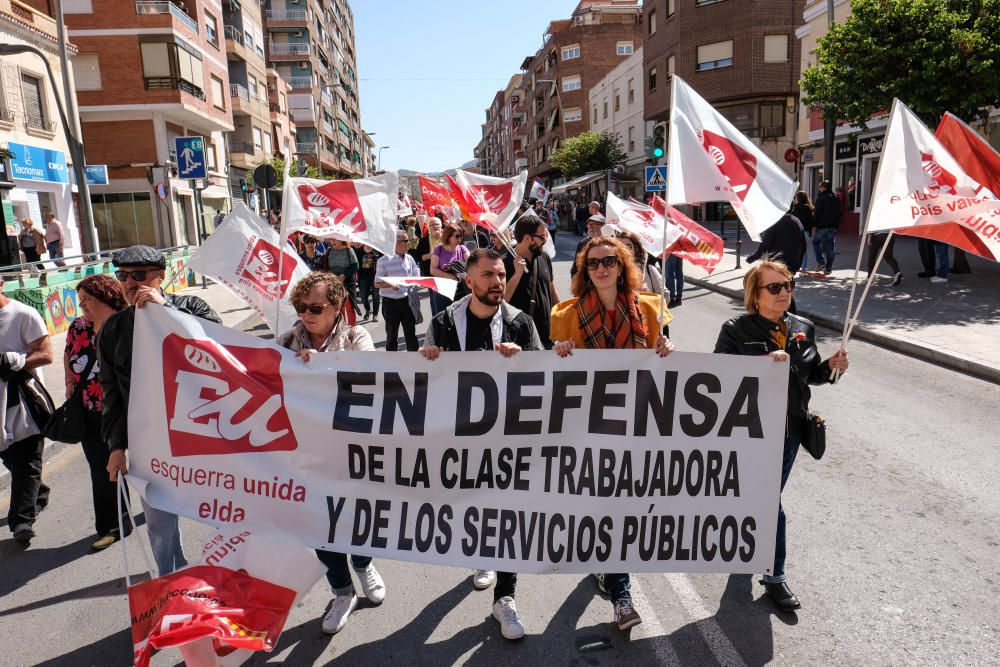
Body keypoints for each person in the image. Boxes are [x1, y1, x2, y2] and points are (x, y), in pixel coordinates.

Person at [549, 236, 675, 631]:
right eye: (593, 263)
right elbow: (553, 371)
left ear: (622, 266)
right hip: (589, 426)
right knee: (607, 506)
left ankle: (611, 578)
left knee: (623, 506)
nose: (601, 268)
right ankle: (619, 593)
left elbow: (665, 361)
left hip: (638, 424)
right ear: (585, 271)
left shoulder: (652, 307)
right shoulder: (564, 314)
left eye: (609, 261)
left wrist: (668, 347)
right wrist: (561, 351)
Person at [714, 256, 849, 611]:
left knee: (763, 498)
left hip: (789, 430)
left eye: (788, 286)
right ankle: (775, 576)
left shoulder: (803, 326)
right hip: (747, 432)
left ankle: (751, 550)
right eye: (774, 287)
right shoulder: (735, 329)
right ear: (754, 295)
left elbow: (812, 376)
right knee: (769, 503)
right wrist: (761, 365)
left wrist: (831, 369)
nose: (783, 293)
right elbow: (716, 377)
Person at [420, 248, 541, 640]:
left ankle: (505, 599)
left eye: (502, 275)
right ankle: (482, 556)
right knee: (475, 508)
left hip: (509, 439)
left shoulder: (520, 323)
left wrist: (523, 359)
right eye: (488, 275)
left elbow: (546, 374)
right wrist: (429, 359)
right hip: (462, 440)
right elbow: (424, 379)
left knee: (507, 514)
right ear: (469, 281)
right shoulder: (443, 322)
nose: (498, 282)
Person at [276, 273, 385, 634]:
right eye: (301, 307)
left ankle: (364, 563)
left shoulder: (356, 337)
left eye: (316, 307)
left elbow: (370, 377)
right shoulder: (286, 342)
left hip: (353, 451)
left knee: (359, 518)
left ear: (337, 307)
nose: (307, 314)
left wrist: (320, 368)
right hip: (307, 456)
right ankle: (341, 591)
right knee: (319, 525)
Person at [102, 245, 222, 575]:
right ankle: (173, 581)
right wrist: (116, 447)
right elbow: (112, 395)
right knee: (159, 525)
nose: (129, 283)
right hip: (150, 445)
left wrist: (168, 312)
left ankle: (228, 580)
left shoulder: (191, 307)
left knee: (222, 514)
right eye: (123, 276)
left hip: (203, 438)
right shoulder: (113, 330)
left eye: (139, 275)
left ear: (160, 276)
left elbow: (222, 351)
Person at [65, 275, 131, 550]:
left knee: (151, 469)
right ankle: (112, 525)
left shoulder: (131, 322)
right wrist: (69, 385)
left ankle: (161, 509)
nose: (83, 308)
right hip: (92, 410)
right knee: (102, 469)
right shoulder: (79, 327)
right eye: (80, 303)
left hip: (132, 408)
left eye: (86, 301)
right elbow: (69, 356)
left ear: (105, 296)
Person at [0, 275, 53, 542]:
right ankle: (39, 492)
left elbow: (46, 354)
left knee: (27, 460)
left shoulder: (23, 314)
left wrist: (14, 361)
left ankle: (21, 521)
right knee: (11, 459)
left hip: (24, 403)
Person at [503, 215, 559, 348]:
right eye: (542, 236)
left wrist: (561, 318)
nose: (545, 240)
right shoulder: (504, 263)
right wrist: (517, 275)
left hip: (547, 337)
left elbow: (551, 290)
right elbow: (501, 301)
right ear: (528, 238)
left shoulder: (544, 257)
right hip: (520, 340)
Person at [375, 231, 421, 351]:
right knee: (392, 335)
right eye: (406, 241)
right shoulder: (383, 261)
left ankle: (415, 361)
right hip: (390, 303)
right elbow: (377, 283)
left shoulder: (410, 258)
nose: (408, 243)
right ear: (396, 243)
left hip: (407, 301)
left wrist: (416, 282)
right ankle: (392, 363)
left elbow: (416, 277)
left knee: (410, 333)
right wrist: (390, 285)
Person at [430, 223, 470, 314]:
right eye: (457, 236)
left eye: (461, 235)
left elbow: (471, 263)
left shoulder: (462, 248)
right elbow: (433, 270)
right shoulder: (438, 250)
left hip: (460, 289)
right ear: (448, 236)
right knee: (443, 316)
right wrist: (450, 276)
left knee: (459, 316)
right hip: (442, 290)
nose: (460, 239)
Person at [616, 230, 663, 296]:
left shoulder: (649, 270)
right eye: (621, 247)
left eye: (628, 246)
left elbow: (664, 295)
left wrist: (647, 299)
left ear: (636, 249)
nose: (624, 250)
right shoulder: (613, 272)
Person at [324, 239, 361, 316]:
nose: (333, 242)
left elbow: (356, 266)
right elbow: (325, 267)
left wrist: (344, 275)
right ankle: (340, 326)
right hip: (333, 283)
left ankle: (352, 327)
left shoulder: (349, 250)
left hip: (348, 283)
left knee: (349, 307)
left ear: (341, 239)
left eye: (335, 240)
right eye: (331, 239)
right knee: (337, 308)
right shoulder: (328, 251)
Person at [812, 181, 841, 273]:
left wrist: (814, 225)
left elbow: (817, 213)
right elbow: (840, 213)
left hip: (822, 226)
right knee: (830, 246)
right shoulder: (836, 198)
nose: (819, 188)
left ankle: (821, 262)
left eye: (820, 186)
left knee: (815, 242)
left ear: (824, 187)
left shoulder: (821, 198)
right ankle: (828, 269)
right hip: (833, 227)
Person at [569, 213, 607, 278]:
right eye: (589, 224)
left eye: (594, 224)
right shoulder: (583, 243)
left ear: (603, 226)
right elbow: (575, 267)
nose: (590, 227)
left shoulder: (609, 244)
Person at [357, 244, 382, 321]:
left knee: (376, 296)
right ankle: (368, 310)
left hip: (375, 277)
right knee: (363, 296)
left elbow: (383, 262)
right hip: (363, 277)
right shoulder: (359, 251)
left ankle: (375, 314)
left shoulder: (377, 250)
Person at [790, 192, 814, 272]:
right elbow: (811, 221)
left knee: (795, 250)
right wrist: (810, 233)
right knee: (804, 251)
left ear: (798, 198)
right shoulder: (809, 208)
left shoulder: (795, 207)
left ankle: (794, 267)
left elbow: (793, 220)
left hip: (796, 231)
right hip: (806, 231)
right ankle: (803, 269)